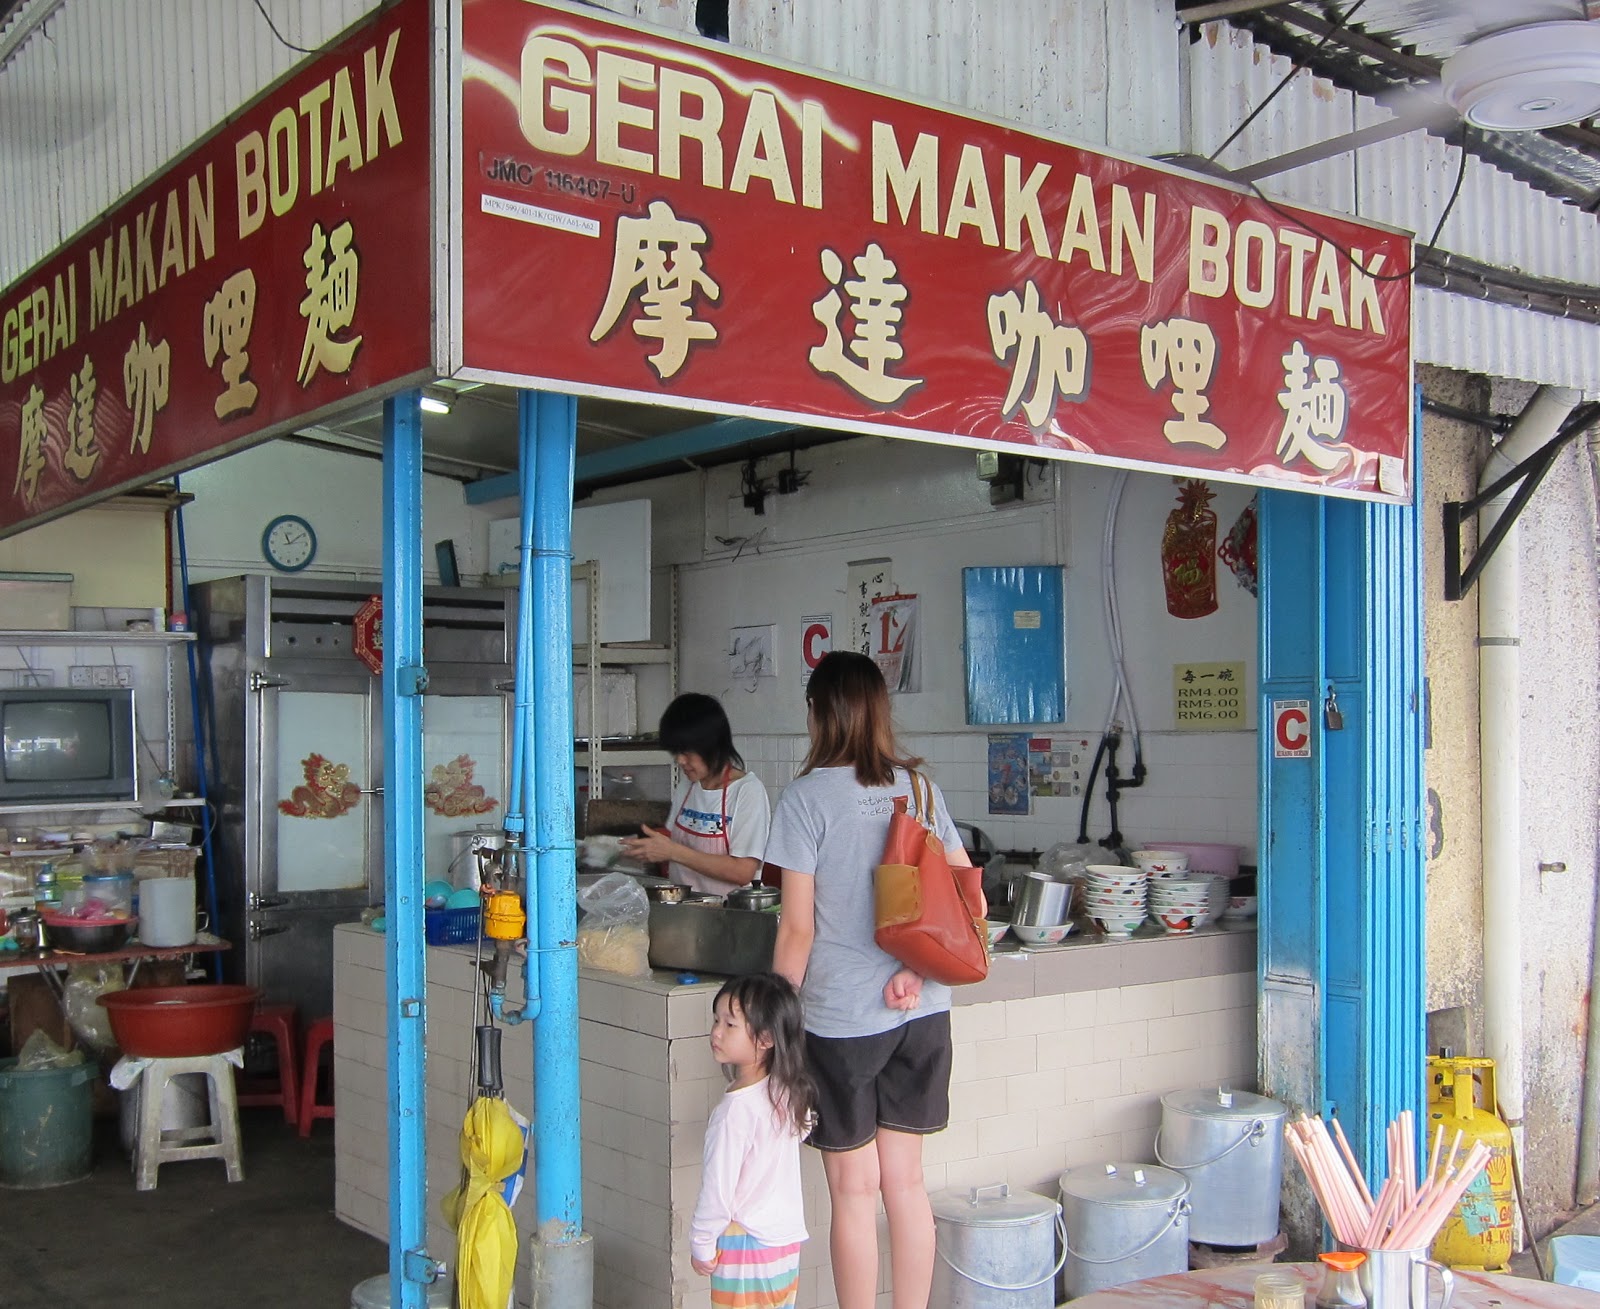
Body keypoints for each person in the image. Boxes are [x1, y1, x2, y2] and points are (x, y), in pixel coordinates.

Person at [766, 651, 979, 1309]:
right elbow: (971, 898)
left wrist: (770, 1019)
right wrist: (914, 969)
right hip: (923, 1013)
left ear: (817, 714)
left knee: (854, 1191)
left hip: (843, 1019)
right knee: (906, 1185)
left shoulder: (804, 800)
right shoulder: (920, 791)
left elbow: (797, 930)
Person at [690, 972, 814, 1309]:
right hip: (785, 1246)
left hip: (746, 1245)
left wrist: (701, 1244)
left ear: (765, 1038)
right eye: (716, 1020)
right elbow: (802, 1130)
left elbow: (718, 1192)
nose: (716, 1032)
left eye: (730, 1025)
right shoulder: (785, 1093)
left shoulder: (734, 1113)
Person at [622, 692, 770, 895]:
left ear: (712, 745)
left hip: (729, 915)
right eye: (676, 753)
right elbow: (672, 843)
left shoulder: (747, 791)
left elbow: (742, 872)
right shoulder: (687, 785)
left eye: (687, 752)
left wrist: (673, 851)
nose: (680, 761)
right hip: (685, 911)